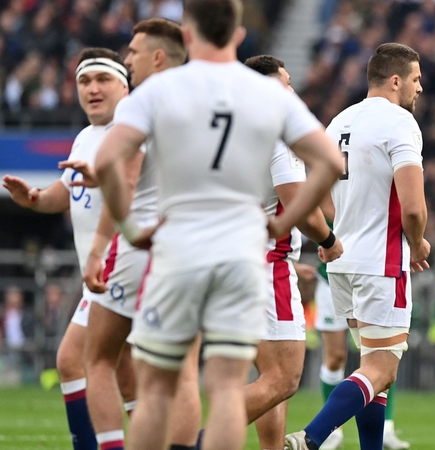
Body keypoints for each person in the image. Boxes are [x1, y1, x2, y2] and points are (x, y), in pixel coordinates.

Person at [92, 0, 343, 448]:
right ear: (239, 35)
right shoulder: (268, 96)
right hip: (240, 256)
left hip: (176, 251)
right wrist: (282, 223)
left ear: (187, 34)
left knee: (157, 388)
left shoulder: (159, 91)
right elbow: (329, 162)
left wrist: (130, 230)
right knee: (228, 387)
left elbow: (109, 160)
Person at [60, 19, 204, 450]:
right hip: (198, 247)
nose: (129, 60)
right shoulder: (206, 103)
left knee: (97, 359)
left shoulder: (141, 104)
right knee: (184, 372)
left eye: (134, 53)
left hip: (141, 246)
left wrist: (97, 251)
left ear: (157, 57)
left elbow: (124, 181)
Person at [284, 42, 430, 450]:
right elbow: (413, 206)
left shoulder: (339, 122)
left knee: (372, 370)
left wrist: (341, 229)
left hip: (343, 263)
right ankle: (311, 437)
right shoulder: (400, 122)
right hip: (382, 262)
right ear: (396, 80)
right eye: (416, 79)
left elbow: (322, 197)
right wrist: (417, 243)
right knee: (382, 369)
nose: (420, 88)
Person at [2, 47, 136, 450]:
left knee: (80, 361)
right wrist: (35, 199)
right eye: (84, 81)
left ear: (124, 87)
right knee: (118, 373)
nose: (92, 89)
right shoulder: (85, 138)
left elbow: (130, 192)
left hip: (129, 270)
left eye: (103, 79)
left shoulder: (133, 133)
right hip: (102, 277)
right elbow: (68, 192)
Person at [240, 54, 344, 450]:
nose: (292, 90)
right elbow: (297, 202)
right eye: (286, 82)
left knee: (269, 377)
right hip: (267, 269)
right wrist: (329, 241)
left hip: (237, 261)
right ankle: (198, 441)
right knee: (284, 378)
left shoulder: (234, 134)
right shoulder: (277, 136)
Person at [314, 247, 412, 450]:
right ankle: (318, 434)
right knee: (343, 358)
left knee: (378, 362)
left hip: (366, 268)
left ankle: (386, 428)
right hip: (343, 272)